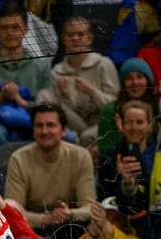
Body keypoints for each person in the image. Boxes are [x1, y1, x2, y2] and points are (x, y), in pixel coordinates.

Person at [0, 3, 55, 188]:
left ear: (25, 30)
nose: (10, 33)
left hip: (33, 122)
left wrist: (21, 101)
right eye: (5, 28)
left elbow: (50, 107)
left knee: (62, 134)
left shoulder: (41, 66)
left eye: (15, 27)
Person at [5, 103, 96, 239]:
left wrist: (69, 214)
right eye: (39, 126)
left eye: (50, 125)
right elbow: (13, 213)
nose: (44, 131)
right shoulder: (18, 159)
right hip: (31, 230)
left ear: (63, 130)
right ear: (33, 130)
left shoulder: (81, 156)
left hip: (70, 226)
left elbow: (89, 207)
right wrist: (46, 219)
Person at [36, 17, 120, 146]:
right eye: (70, 35)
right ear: (64, 40)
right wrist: (64, 96)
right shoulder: (57, 72)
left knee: (87, 137)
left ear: (89, 38)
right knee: (44, 94)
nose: (75, 39)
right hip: (75, 124)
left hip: (101, 123)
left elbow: (115, 106)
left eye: (80, 34)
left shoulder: (103, 64)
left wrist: (91, 92)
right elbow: (64, 112)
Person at [96, 99, 160, 239]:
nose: (133, 127)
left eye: (139, 122)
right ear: (122, 125)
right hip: (122, 227)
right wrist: (126, 184)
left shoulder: (158, 155)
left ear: (150, 125)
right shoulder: (110, 158)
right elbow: (105, 198)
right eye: (129, 122)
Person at [95, 57, 156, 161]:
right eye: (129, 78)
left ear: (148, 81)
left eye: (139, 77)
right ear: (123, 84)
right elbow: (105, 152)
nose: (135, 82)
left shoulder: (157, 109)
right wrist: (124, 135)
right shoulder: (110, 110)